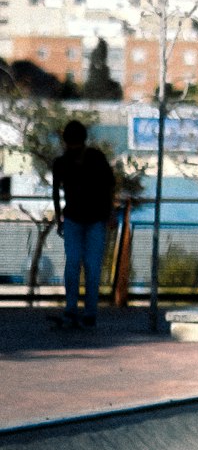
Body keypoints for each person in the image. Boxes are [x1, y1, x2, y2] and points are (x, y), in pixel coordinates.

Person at [51, 120, 116, 329]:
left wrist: (58, 216)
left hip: (80, 218)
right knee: (86, 265)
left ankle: (78, 310)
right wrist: (110, 214)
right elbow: (108, 187)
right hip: (89, 218)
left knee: (79, 264)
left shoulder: (65, 161)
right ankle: (84, 311)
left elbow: (55, 192)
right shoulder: (92, 158)